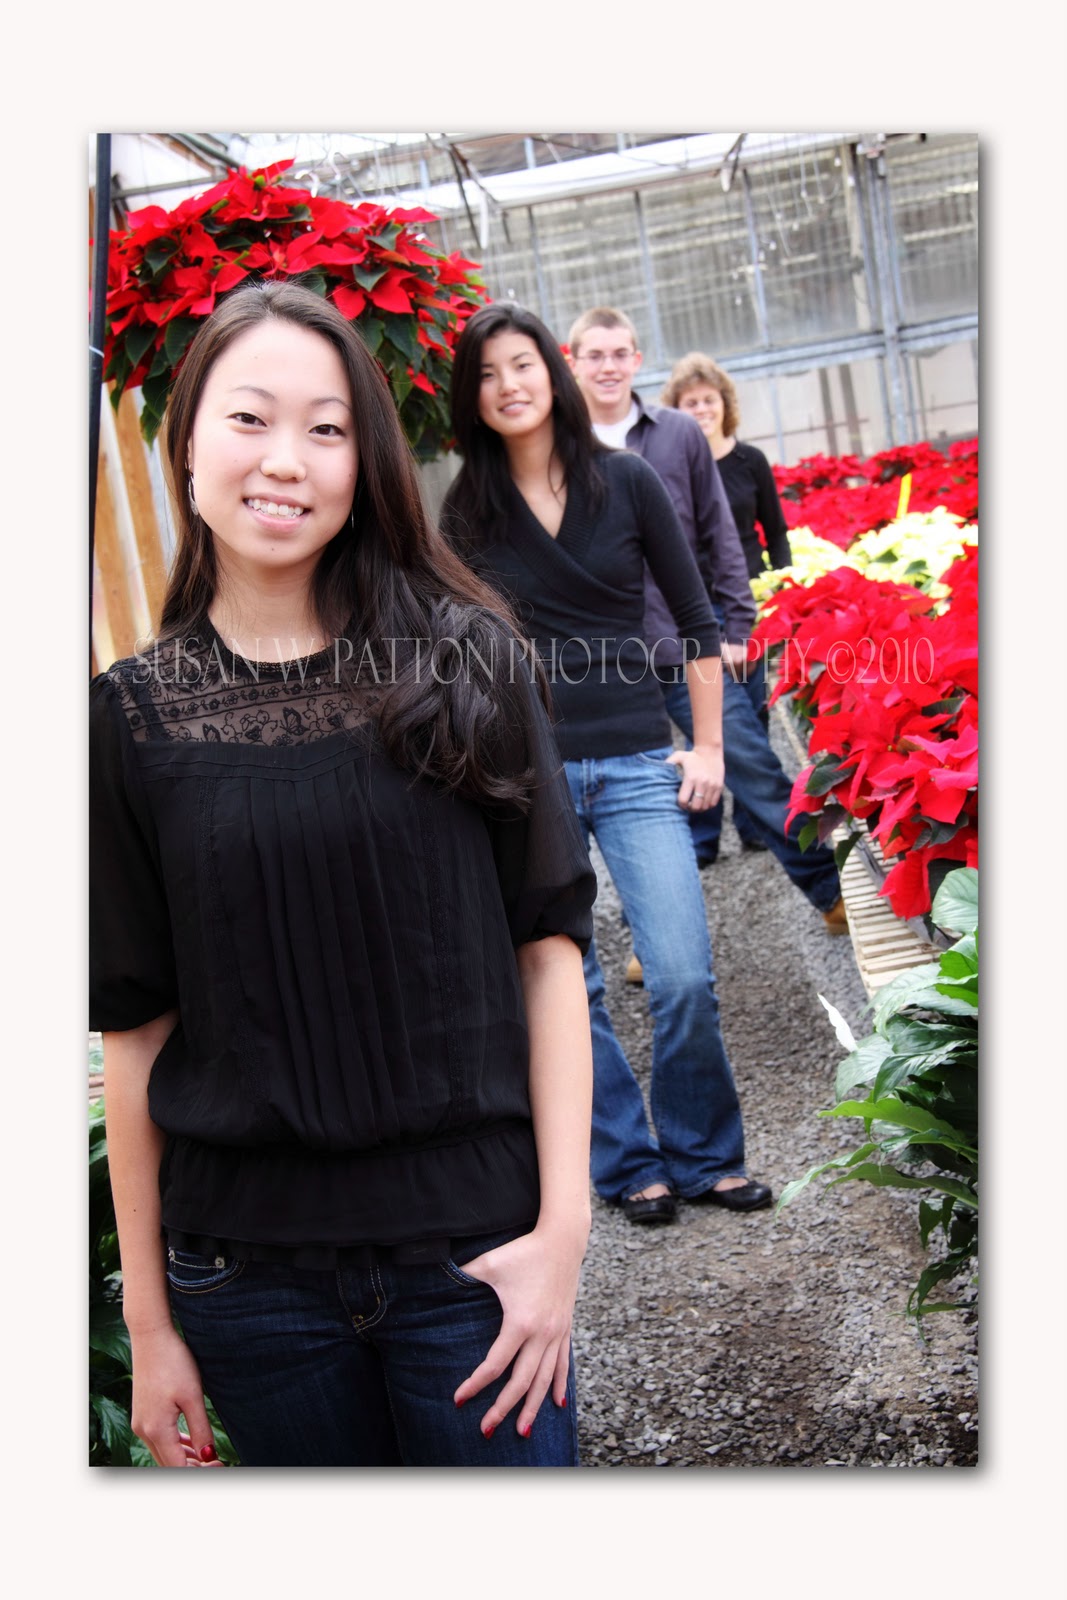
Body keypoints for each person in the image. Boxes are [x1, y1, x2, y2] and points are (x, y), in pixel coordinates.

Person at [90, 279, 599, 1468]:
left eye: (325, 428)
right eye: (249, 418)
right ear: (186, 441)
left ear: (363, 459)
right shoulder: (130, 718)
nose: (286, 459)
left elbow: (548, 955)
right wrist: (150, 1324)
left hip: (472, 1263)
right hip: (247, 1284)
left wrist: (562, 1236)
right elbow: (135, 1030)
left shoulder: (465, 660)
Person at [441, 300, 773, 1227]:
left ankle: (706, 1156)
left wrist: (707, 747)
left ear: (552, 373)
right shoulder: (466, 509)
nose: (508, 386)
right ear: (471, 396)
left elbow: (696, 618)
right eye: (486, 374)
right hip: (528, 778)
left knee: (681, 975)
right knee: (566, 987)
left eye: (521, 365)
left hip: (634, 760)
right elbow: (456, 655)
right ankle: (627, 1162)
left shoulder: (626, 481)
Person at [566, 308, 846, 935]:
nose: (608, 367)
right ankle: (652, 940)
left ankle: (831, 894)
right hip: (601, 661)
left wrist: (738, 628)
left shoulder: (676, 435)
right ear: (572, 361)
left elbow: (721, 532)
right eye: (595, 355)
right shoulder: (556, 444)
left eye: (620, 354)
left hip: (681, 642)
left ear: (637, 360)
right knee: (629, 802)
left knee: (751, 763)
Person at [662, 351, 793, 855]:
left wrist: (781, 586)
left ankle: (756, 826)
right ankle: (705, 835)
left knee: (751, 715)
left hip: (744, 602)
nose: (701, 409)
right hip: (691, 608)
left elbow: (775, 531)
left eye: (708, 400)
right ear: (675, 410)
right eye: (689, 402)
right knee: (704, 721)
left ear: (724, 404)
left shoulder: (749, 462)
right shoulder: (670, 464)